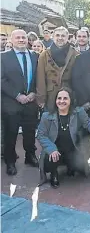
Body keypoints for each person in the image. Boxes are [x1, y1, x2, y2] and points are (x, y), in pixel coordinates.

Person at [37, 87, 90, 188]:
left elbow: (89, 123)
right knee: (51, 157)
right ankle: (54, 174)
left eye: (65, 98)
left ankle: (71, 166)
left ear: (70, 100)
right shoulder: (46, 116)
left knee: (79, 167)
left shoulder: (78, 112)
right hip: (54, 151)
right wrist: (51, 149)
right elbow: (41, 135)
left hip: (71, 150)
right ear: (55, 100)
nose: (61, 101)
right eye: (59, 98)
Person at [1, 29, 39, 175]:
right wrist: (17, 95)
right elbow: (1, 80)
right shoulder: (3, 57)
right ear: (12, 39)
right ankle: (10, 162)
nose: (21, 40)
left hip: (30, 101)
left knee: (30, 132)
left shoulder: (35, 56)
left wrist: (34, 92)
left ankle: (30, 156)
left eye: (23, 37)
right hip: (11, 102)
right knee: (11, 133)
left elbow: (38, 77)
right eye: (18, 38)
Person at [36, 26, 79, 112]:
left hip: (69, 94)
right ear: (53, 37)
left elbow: (79, 78)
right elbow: (40, 78)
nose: (60, 38)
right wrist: (41, 98)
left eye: (63, 36)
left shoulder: (75, 54)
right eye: (57, 35)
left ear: (67, 37)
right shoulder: (44, 55)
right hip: (50, 95)